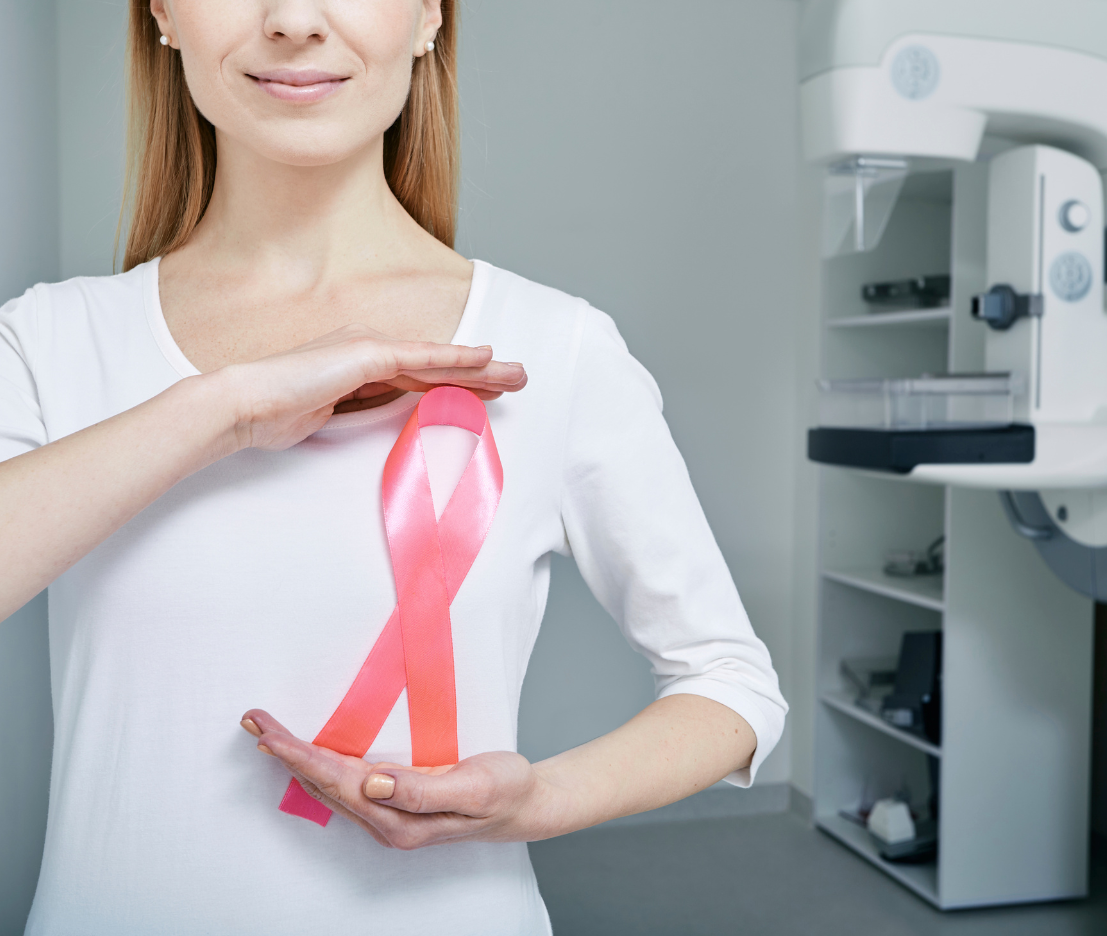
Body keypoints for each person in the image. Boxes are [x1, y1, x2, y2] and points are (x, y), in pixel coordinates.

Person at [0, 0, 787, 932]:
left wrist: (533, 801)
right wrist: (224, 408)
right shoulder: (47, 342)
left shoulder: (558, 347)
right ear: (163, 16)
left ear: (428, 17)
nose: (293, 19)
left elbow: (730, 684)